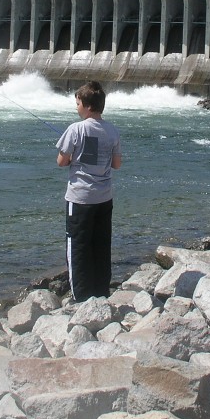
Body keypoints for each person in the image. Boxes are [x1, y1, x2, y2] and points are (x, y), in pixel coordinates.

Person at [55, 81, 122, 301]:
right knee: (101, 245)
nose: (76, 108)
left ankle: (80, 297)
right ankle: (101, 292)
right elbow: (116, 164)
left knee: (78, 247)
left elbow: (62, 162)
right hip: (104, 198)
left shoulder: (76, 129)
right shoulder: (112, 130)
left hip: (81, 198)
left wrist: (74, 157)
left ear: (88, 106)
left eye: (78, 104)